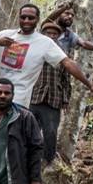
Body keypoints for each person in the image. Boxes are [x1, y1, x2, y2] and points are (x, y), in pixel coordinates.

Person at [0, 4, 93, 109]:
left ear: (37, 20)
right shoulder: (5, 34)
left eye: (30, 18)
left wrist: (89, 85)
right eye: (23, 17)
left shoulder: (45, 42)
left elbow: (67, 63)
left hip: (18, 100)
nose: (26, 21)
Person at [30, 21, 70, 163]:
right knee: (30, 129)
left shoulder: (62, 53)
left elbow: (66, 78)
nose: (52, 36)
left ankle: (48, 159)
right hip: (34, 95)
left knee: (51, 131)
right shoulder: (34, 49)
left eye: (55, 34)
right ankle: (29, 157)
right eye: (49, 33)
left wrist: (65, 99)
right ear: (43, 34)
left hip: (54, 97)